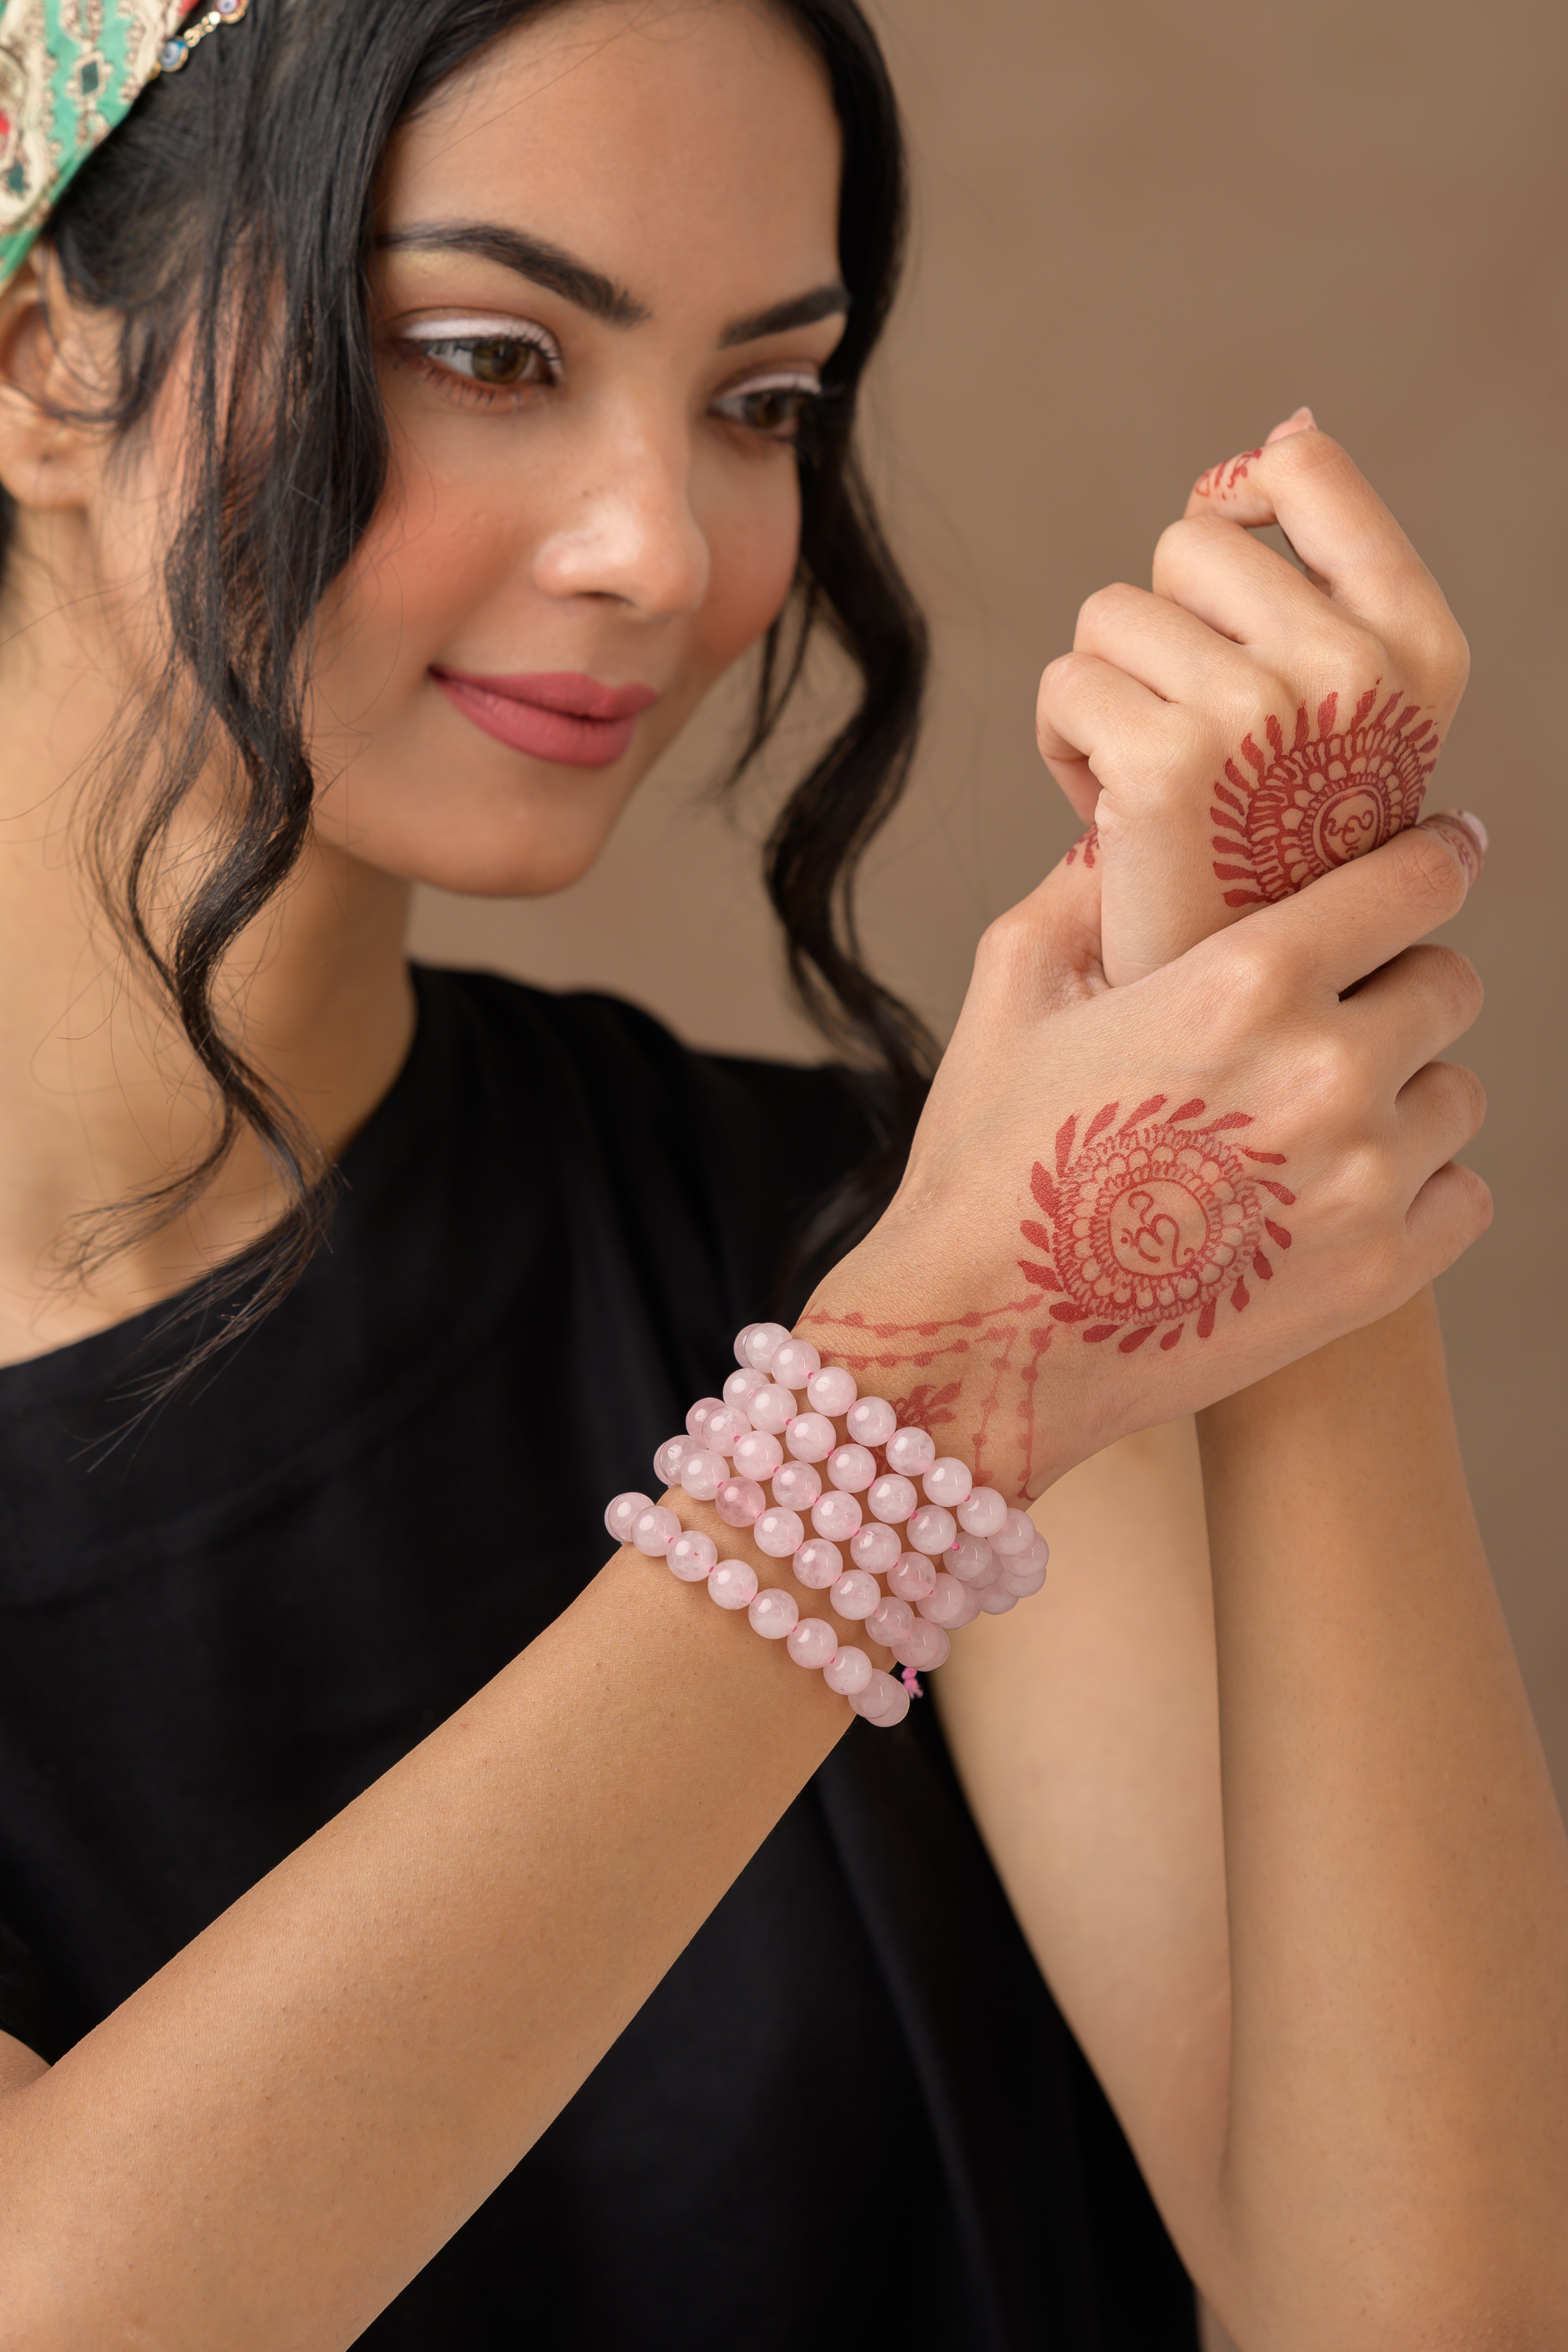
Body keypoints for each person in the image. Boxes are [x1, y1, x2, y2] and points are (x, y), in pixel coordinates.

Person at [0, 2, 1563, 2347]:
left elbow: (1426, 2318)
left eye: (764, 404)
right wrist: (928, 1395)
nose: (670, 546)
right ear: (43, 360)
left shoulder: (839, 1221)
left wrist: (1271, 1063)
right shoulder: (940, 1311)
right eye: (488, 353)